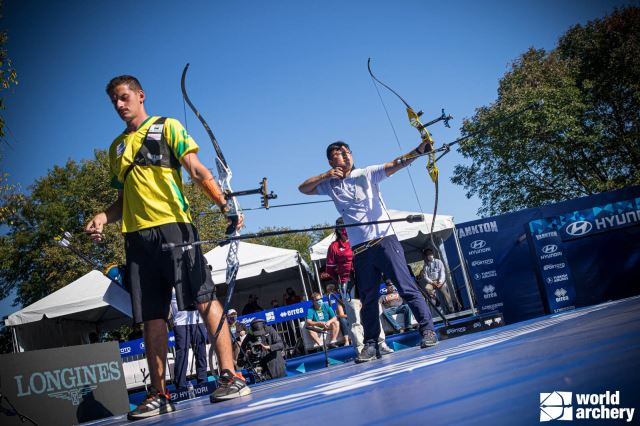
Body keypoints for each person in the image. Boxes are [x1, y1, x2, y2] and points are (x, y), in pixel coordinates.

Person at [85, 75, 249, 420]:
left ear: (140, 95)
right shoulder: (116, 148)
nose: (119, 105)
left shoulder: (166, 126)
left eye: (124, 97)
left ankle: (231, 375)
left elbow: (195, 168)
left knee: (204, 299)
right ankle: (159, 393)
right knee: (152, 318)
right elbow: (122, 199)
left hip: (175, 228)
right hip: (137, 239)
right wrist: (102, 215)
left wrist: (224, 203)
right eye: (113, 100)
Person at [299, 140, 438, 363]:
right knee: (368, 299)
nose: (345, 157)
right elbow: (303, 188)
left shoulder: (367, 173)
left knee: (406, 288)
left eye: (347, 153)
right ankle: (371, 344)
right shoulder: (329, 184)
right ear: (331, 161)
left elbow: (397, 164)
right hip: (361, 250)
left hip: (384, 241)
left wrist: (420, 151)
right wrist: (325, 175)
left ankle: (428, 330)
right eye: (339, 155)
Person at [170, 289, 208, 389]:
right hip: (180, 321)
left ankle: (203, 381)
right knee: (182, 353)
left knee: (201, 352)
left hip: (198, 320)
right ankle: (180, 384)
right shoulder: (171, 279)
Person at [418, 248, 459, 314]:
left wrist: (440, 281)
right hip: (432, 282)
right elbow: (425, 277)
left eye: (430, 254)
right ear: (426, 256)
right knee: (427, 288)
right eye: (428, 254)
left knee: (446, 294)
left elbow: (442, 272)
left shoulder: (439, 261)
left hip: (440, 281)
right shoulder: (425, 266)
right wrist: (432, 282)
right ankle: (437, 300)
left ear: (433, 254)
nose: (429, 255)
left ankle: (452, 309)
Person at [326, 217, 354, 297]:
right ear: (339, 230)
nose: (346, 230)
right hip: (347, 282)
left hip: (363, 277)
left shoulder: (357, 240)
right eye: (343, 228)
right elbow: (330, 270)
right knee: (354, 307)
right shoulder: (334, 246)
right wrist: (341, 280)